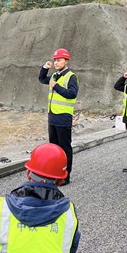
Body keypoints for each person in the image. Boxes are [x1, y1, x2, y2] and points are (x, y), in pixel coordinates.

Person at [39, 49, 79, 186]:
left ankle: (65, 176)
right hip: (52, 117)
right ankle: (55, 173)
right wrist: (45, 68)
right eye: (55, 60)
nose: (56, 62)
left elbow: (72, 94)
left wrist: (56, 87)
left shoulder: (71, 77)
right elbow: (42, 79)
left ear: (66, 61)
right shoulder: (55, 76)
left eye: (59, 60)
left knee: (64, 148)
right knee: (54, 148)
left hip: (63, 117)